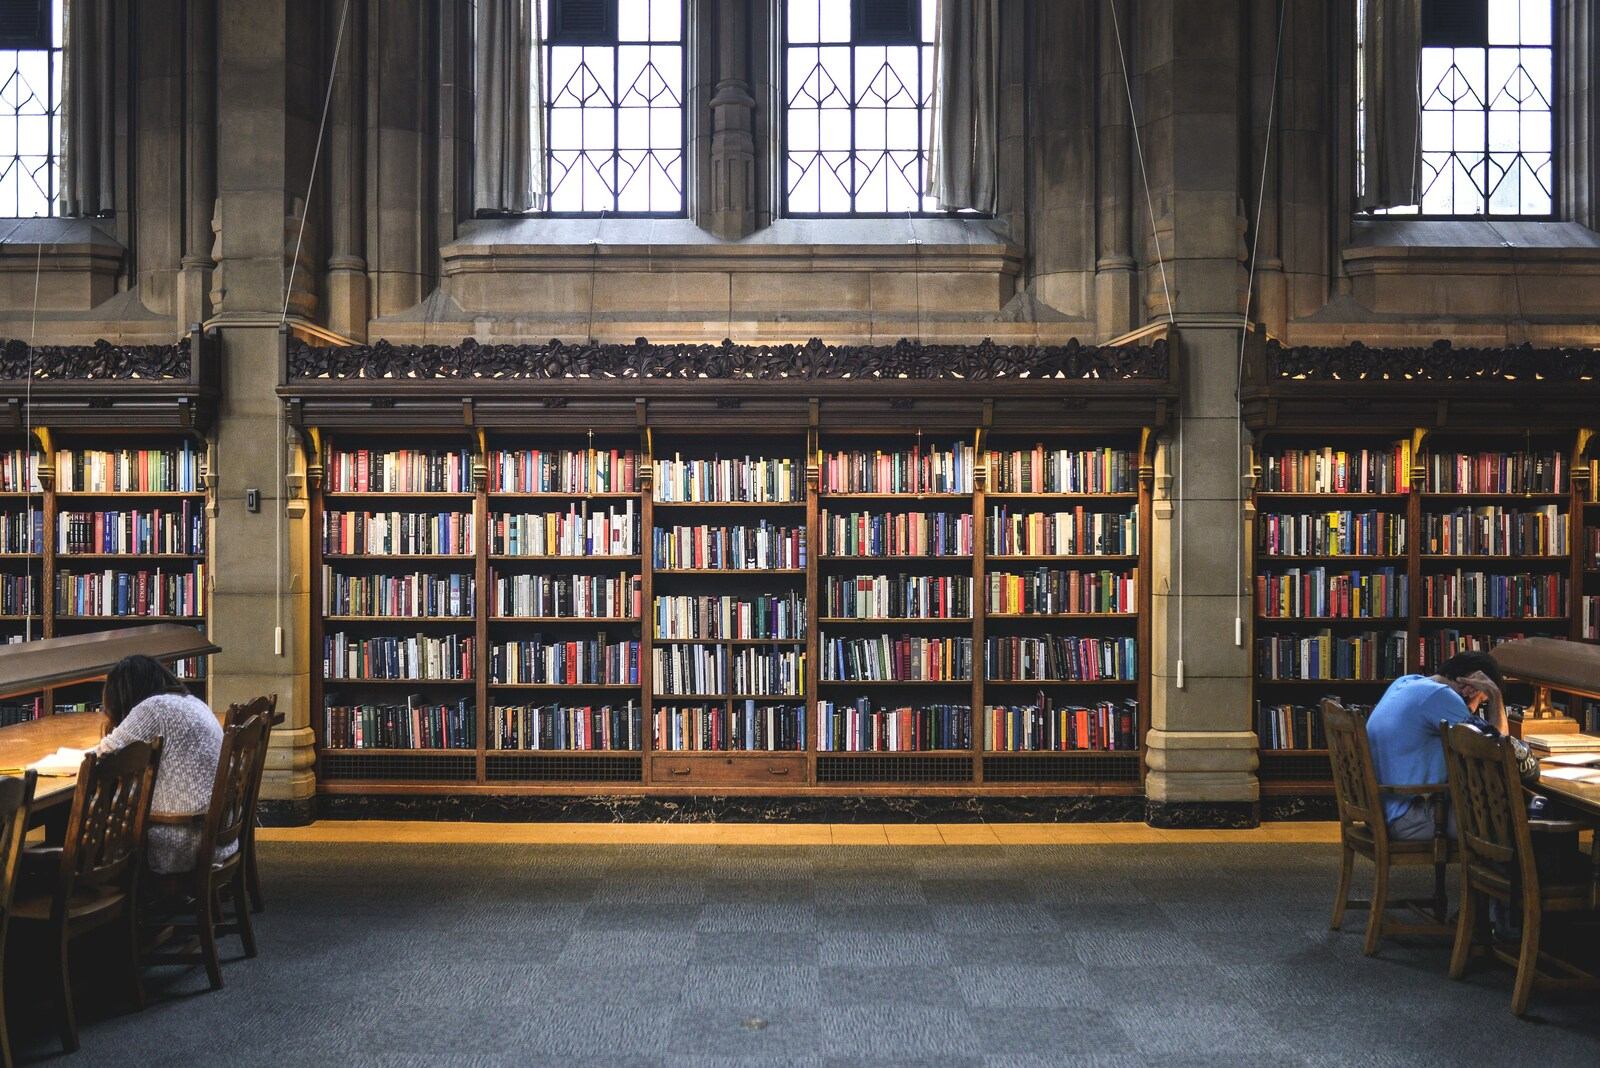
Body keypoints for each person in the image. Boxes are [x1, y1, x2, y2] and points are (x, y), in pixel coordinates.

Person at [1364, 649, 1531, 841]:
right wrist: (1495, 695)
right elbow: (1497, 749)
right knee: (1512, 819)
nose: (1474, 710)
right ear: (1471, 686)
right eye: (1481, 701)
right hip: (1406, 817)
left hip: (1379, 811)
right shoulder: (1441, 696)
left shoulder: (1406, 682)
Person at [95, 655, 233, 875]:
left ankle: (83, 884)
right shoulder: (193, 702)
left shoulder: (153, 709)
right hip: (218, 835)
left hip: (179, 842)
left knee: (99, 824)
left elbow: (104, 755)